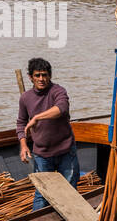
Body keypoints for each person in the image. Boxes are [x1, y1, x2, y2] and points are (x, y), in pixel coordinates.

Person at [17, 58, 79, 211]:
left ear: (50, 76)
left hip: (65, 150)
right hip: (42, 153)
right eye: (37, 75)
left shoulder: (58, 91)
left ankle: (71, 218)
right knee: (42, 192)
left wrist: (37, 117)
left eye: (44, 75)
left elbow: (62, 108)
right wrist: (23, 145)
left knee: (70, 191)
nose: (41, 79)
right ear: (30, 77)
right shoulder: (25, 98)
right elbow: (21, 123)